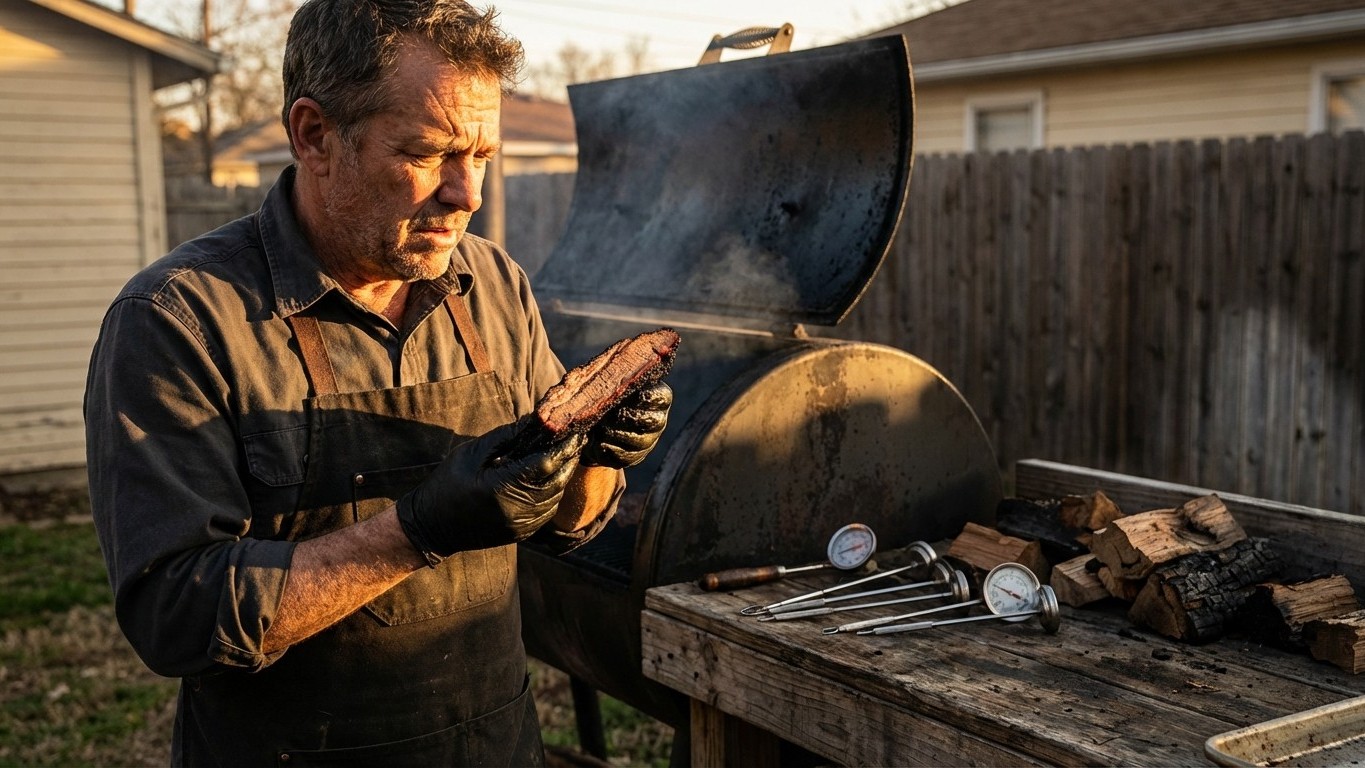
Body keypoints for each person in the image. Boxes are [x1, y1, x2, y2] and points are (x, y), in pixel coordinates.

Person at [83, 1, 672, 764]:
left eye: (482, 156)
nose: (468, 195)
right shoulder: (178, 320)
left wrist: (599, 459)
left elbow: (566, 524)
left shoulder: (492, 284)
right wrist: (416, 530)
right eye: (428, 153)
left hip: (492, 743)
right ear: (314, 135)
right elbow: (175, 617)